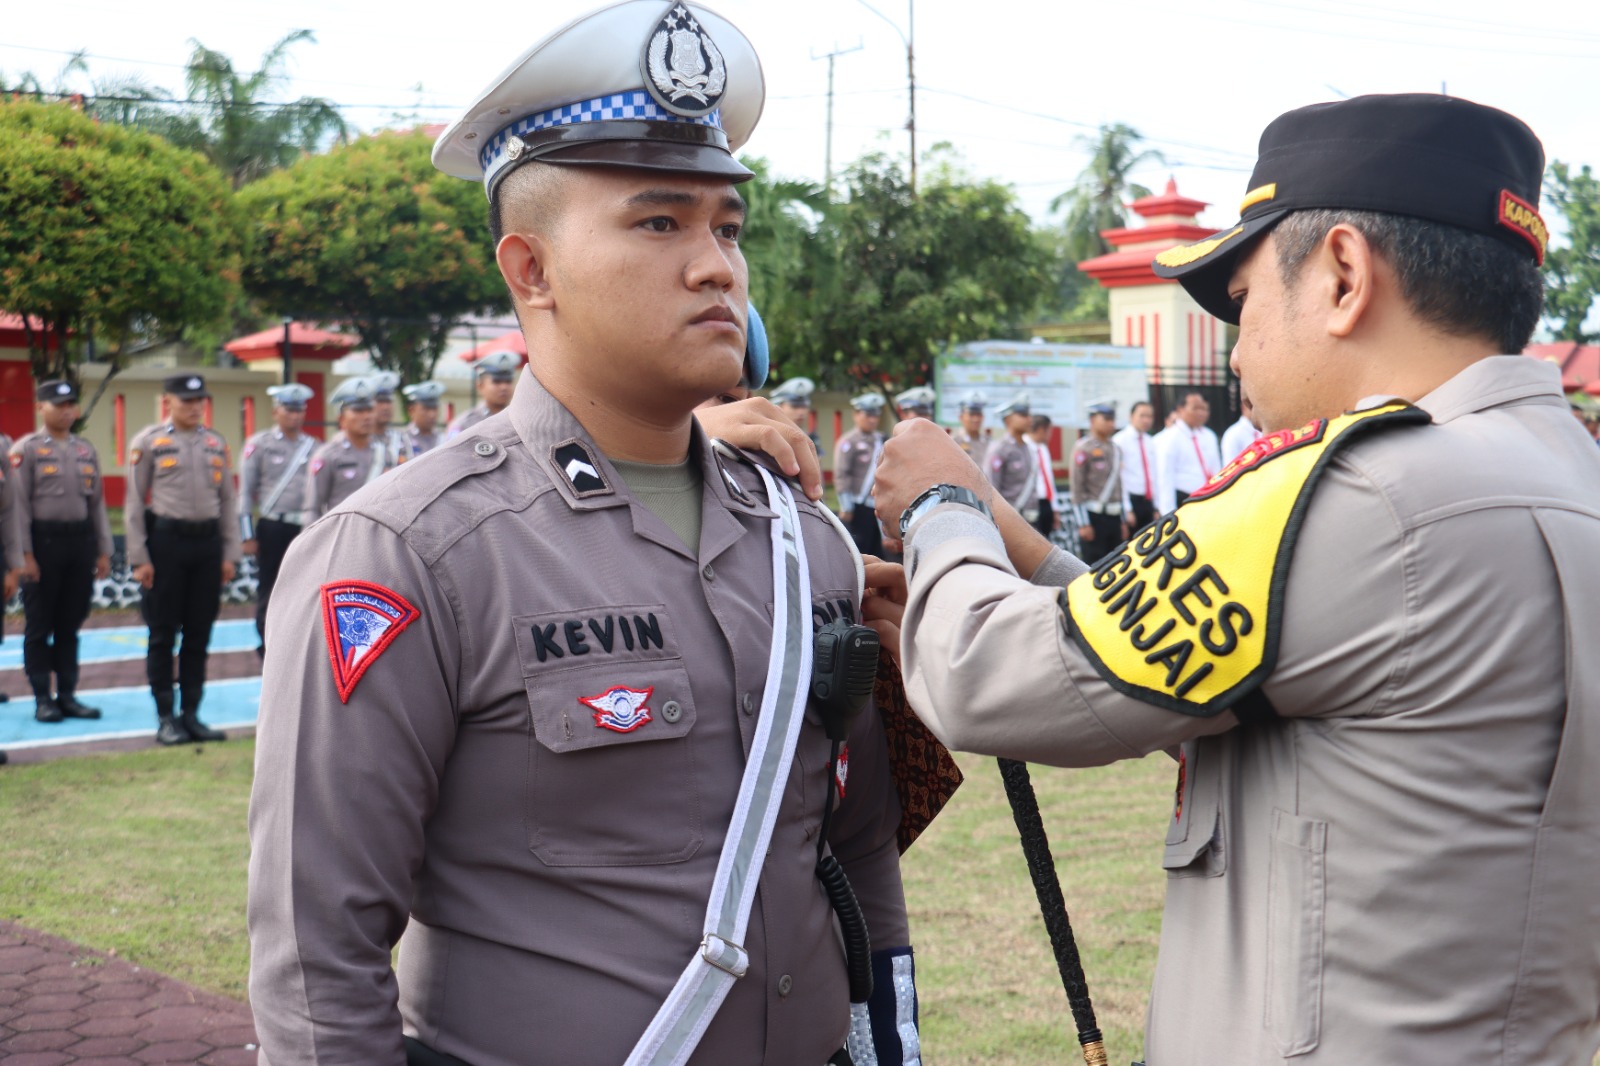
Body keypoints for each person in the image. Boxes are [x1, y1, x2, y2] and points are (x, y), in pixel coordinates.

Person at [867, 92, 1600, 1063]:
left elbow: (985, 673)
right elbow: (1262, 684)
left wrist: (939, 506)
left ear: (1343, 275)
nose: (1237, 347)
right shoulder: (1565, 475)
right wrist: (1024, 548)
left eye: (1245, 300)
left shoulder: (1353, 492)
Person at [248, 6, 917, 1065]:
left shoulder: (805, 542)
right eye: (658, 224)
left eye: (727, 228)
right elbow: (315, 947)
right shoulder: (410, 551)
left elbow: (857, 847)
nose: (716, 267)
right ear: (532, 270)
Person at [125, 373, 239, 746]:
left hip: (207, 547)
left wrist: (230, 552)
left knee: (199, 634)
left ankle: (191, 714)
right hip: (166, 545)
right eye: (186, 400)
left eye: (198, 400)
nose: (194, 406)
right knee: (162, 634)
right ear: (167, 402)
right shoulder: (149, 442)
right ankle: (165, 717)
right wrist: (140, 557)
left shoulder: (215, 443)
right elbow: (133, 502)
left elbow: (228, 501)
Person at [11, 380, 114, 722]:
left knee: (70, 623)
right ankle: (43, 697)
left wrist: (103, 549)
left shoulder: (85, 450)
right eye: (59, 405)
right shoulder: (26, 450)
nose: (67, 411)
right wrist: (25, 555)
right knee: (40, 625)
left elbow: (97, 504)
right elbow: (18, 507)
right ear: (41, 407)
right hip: (43, 544)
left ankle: (67, 694)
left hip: (79, 544)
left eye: (71, 404)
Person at [238, 383, 316, 658]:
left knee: (305, 588)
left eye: (299, 410)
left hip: (305, 526)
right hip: (273, 526)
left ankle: (296, 646)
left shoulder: (314, 447)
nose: (295, 416)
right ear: (276, 412)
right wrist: (247, 534)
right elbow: (245, 491)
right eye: (289, 410)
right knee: (270, 588)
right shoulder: (260, 444)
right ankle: (267, 647)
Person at [307, 378, 391, 518]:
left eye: (370, 410)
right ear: (341, 419)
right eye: (358, 411)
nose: (366, 416)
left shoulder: (384, 453)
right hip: (339, 529)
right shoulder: (327, 455)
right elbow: (312, 509)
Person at [833, 392, 888, 558]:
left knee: (877, 549)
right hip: (858, 504)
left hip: (877, 504)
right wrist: (846, 506)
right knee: (859, 549)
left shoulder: (881, 440)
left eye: (875, 416)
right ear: (856, 415)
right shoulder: (849, 441)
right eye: (868, 415)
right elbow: (842, 473)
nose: (872, 420)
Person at [1067, 401, 1122, 564]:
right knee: (1095, 565)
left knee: (1116, 564)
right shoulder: (1083, 448)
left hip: (1115, 515)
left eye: (1112, 419)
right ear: (1092, 420)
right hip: (1094, 516)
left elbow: (1119, 485)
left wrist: (1124, 518)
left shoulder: (1115, 448)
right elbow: (1077, 488)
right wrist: (1083, 523)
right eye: (1106, 419)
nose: (1111, 423)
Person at [1152, 389, 1221, 512]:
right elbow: (1165, 477)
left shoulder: (1209, 435)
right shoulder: (1170, 437)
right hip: (1184, 499)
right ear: (1180, 409)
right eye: (1196, 408)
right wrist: (1167, 512)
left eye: (1204, 409)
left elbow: (1217, 468)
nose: (1201, 413)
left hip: (1209, 497)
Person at [984, 393, 1038, 522]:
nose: (1029, 419)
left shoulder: (1029, 449)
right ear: (1008, 420)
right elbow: (991, 488)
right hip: (1009, 520)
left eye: (1029, 415)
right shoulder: (1000, 449)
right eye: (1023, 415)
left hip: (1030, 519)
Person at [446, 350, 519, 438]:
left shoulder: (520, 419)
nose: (504, 387)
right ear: (480, 386)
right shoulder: (465, 424)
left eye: (508, 381)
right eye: (497, 381)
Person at [1113, 399, 1160, 532]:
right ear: (1131, 416)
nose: (1146, 420)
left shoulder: (1150, 441)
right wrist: (1127, 509)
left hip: (1148, 501)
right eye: (1142, 416)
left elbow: (1154, 475)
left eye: (1149, 416)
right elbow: (1118, 477)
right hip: (1131, 501)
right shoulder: (1119, 441)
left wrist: (1156, 506)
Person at [368, 371, 411, 462]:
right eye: (380, 401)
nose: (386, 407)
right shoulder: (361, 439)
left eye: (388, 402)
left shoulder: (401, 438)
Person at [401, 380, 447, 458]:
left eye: (434, 409)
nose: (432, 414)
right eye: (426, 409)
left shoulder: (443, 439)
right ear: (412, 410)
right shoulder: (402, 439)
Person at [1220, 393, 1263, 463]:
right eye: (1252, 406)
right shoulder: (1233, 433)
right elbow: (1230, 464)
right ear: (1243, 407)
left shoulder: (1262, 430)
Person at [951, 391, 987, 463]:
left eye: (978, 414)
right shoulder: (953, 442)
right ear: (961, 417)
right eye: (971, 415)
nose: (976, 419)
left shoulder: (988, 442)